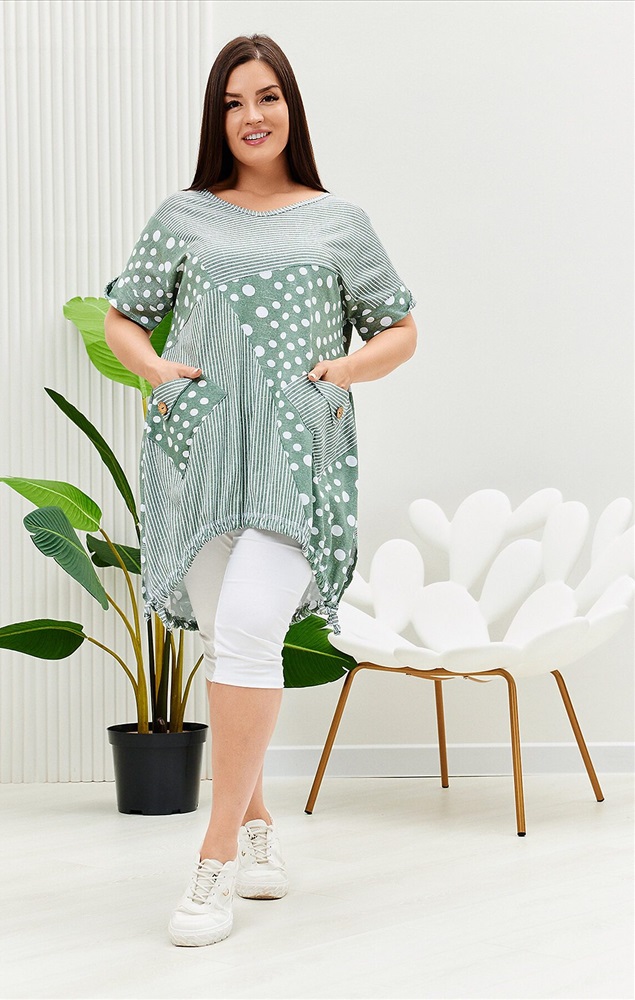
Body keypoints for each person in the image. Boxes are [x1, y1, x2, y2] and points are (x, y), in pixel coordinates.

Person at [103, 33, 417, 947]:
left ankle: (212, 863)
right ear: (217, 116)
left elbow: (398, 328)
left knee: (246, 630)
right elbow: (124, 316)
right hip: (198, 456)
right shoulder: (185, 215)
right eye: (234, 101)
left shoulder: (338, 221)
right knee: (228, 642)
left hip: (294, 460)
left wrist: (342, 373)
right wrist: (159, 372)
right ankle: (259, 829)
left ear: (291, 108)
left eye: (267, 96)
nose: (252, 115)